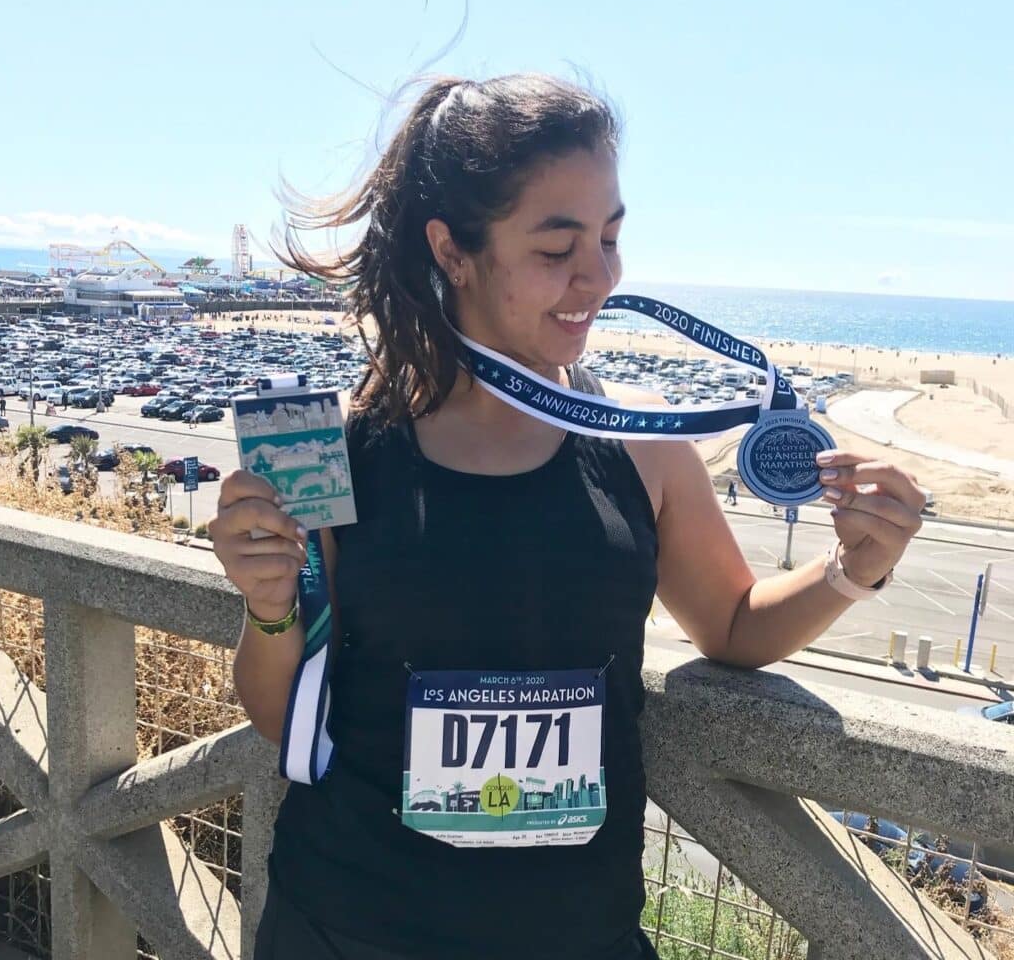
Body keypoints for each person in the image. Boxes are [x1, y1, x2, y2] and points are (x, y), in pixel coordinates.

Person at [208, 74, 924, 960]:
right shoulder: (342, 452)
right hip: (348, 926)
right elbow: (283, 714)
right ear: (454, 250)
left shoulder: (643, 443)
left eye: (612, 237)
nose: (601, 276)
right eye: (558, 247)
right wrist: (270, 601)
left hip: (578, 936)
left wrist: (854, 567)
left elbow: (733, 626)